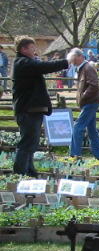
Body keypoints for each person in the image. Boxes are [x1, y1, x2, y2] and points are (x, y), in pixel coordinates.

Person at [12, 36, 68, 176]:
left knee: (31, 142)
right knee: (27, 143)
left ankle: (30, 171)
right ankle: (19, 173)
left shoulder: (27, 62)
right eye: (32, 48)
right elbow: (45, 67)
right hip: (27, 110)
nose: (35, 51)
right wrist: (66, 62)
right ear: (23, 49)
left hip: (32, 110)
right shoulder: (23, 63)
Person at [66, 48, 99, 160]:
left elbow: (94, 85)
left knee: (78, 127)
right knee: (92, 131)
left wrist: (82, 97)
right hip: (89, 103)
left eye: (73, 59)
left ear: (80, 57)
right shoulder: (83, 68)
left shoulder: (87, 68)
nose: (72, 62)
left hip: (90, 103)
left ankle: (74, 155)